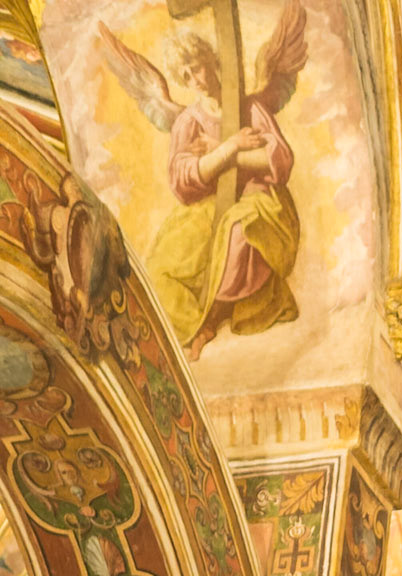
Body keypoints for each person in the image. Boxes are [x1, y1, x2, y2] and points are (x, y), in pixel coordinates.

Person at [101, 7, 307, 359]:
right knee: (165, 265)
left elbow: (278, 161)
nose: (193, 78)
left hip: (261, 200)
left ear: (212, 61)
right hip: (210, 204)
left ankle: (217, 317)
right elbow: (182, 179)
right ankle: (196, 326)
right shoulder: (188, 121)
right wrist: (227, 147)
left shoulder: (251, 107)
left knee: (239, 231)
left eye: (196, 66)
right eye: (184, 74)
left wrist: (224, 154)